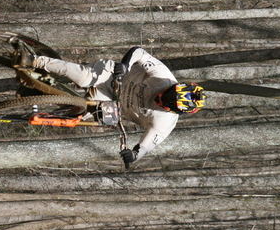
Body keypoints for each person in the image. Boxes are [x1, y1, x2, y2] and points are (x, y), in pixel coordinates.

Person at [21, 46, 206, 166]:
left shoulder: (164, 123)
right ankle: (35, 60)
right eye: (167, 92)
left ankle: (39, 98)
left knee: (80, 113)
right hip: (112, 76)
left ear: (173, 109)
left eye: (166, 102)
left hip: (111, 101)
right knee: (85, 78)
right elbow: (140, 52)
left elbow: (147, 146)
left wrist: (133, 156)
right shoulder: (162, 76)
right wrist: (125, 65)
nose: (160, 97)